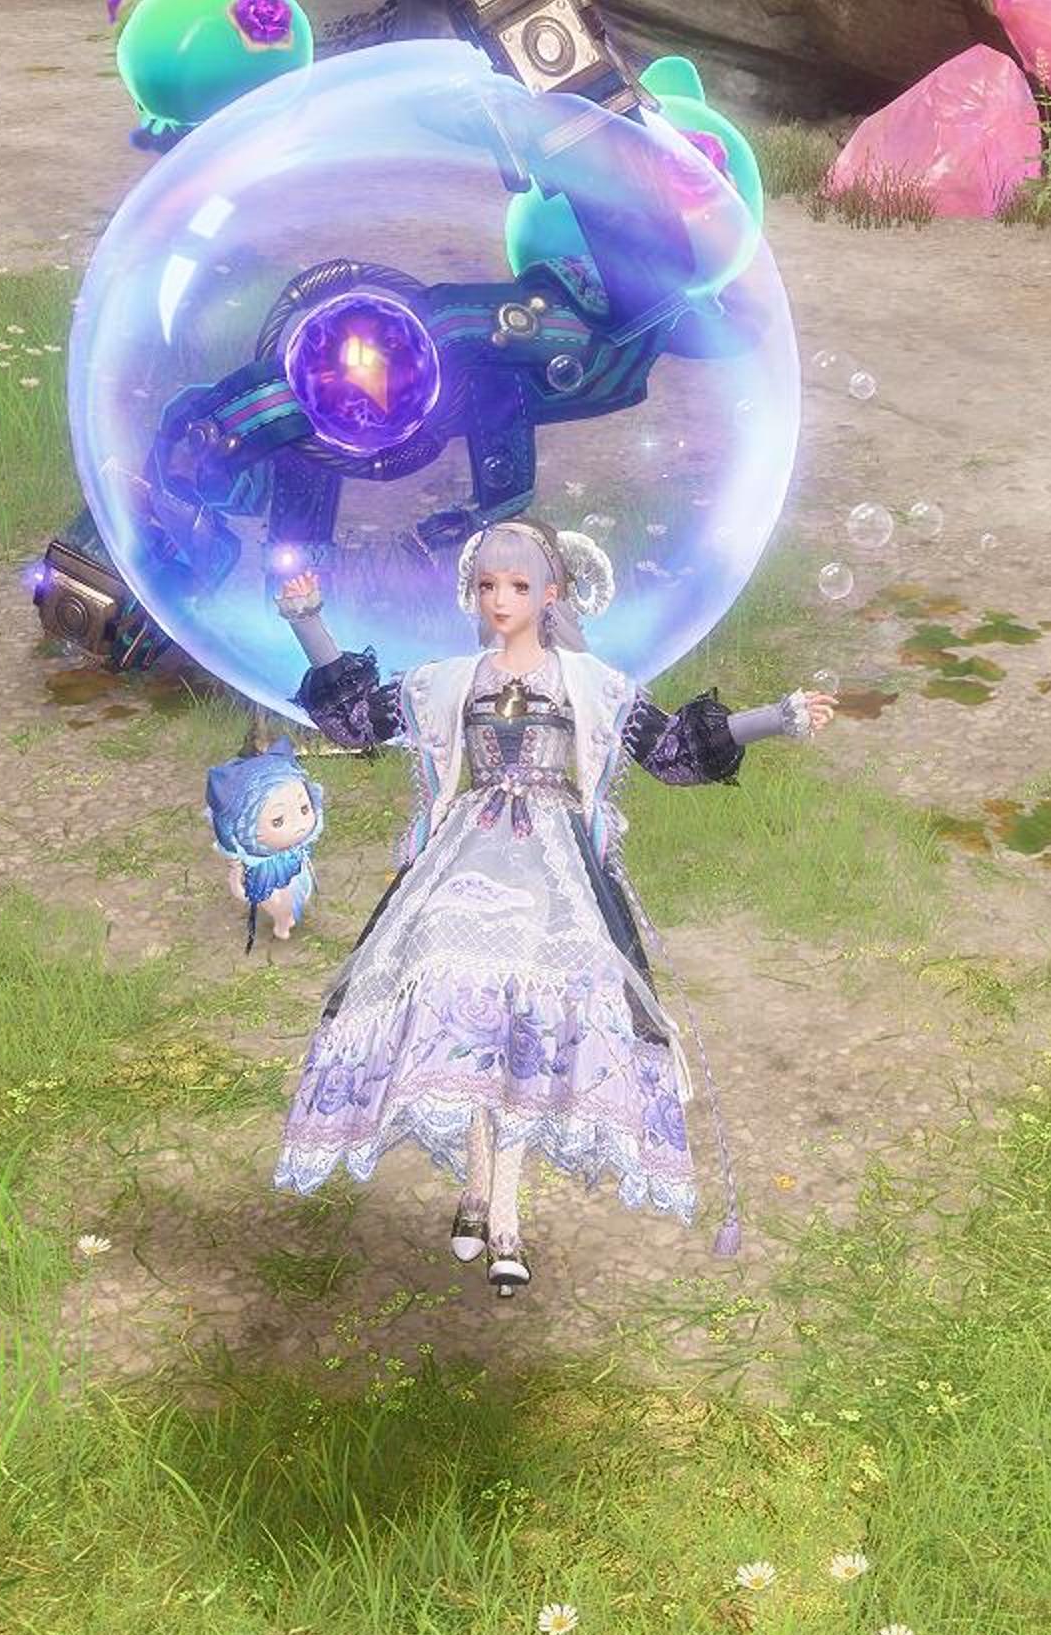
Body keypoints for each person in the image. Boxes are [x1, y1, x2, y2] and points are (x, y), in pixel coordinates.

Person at [270, 519, 836, 1296]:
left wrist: (776, 717)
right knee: (463, 1008)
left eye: (518, 585)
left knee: (528, 1022)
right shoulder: (447, 682)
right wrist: (308, 619)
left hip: (554, 873)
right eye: (487, 585)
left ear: (552, 594)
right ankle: (476, 1194)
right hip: (465, 859)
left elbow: (671, 750)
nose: (500, 600)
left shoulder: (593, 686)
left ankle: (502, 1214)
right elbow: (358, 718)